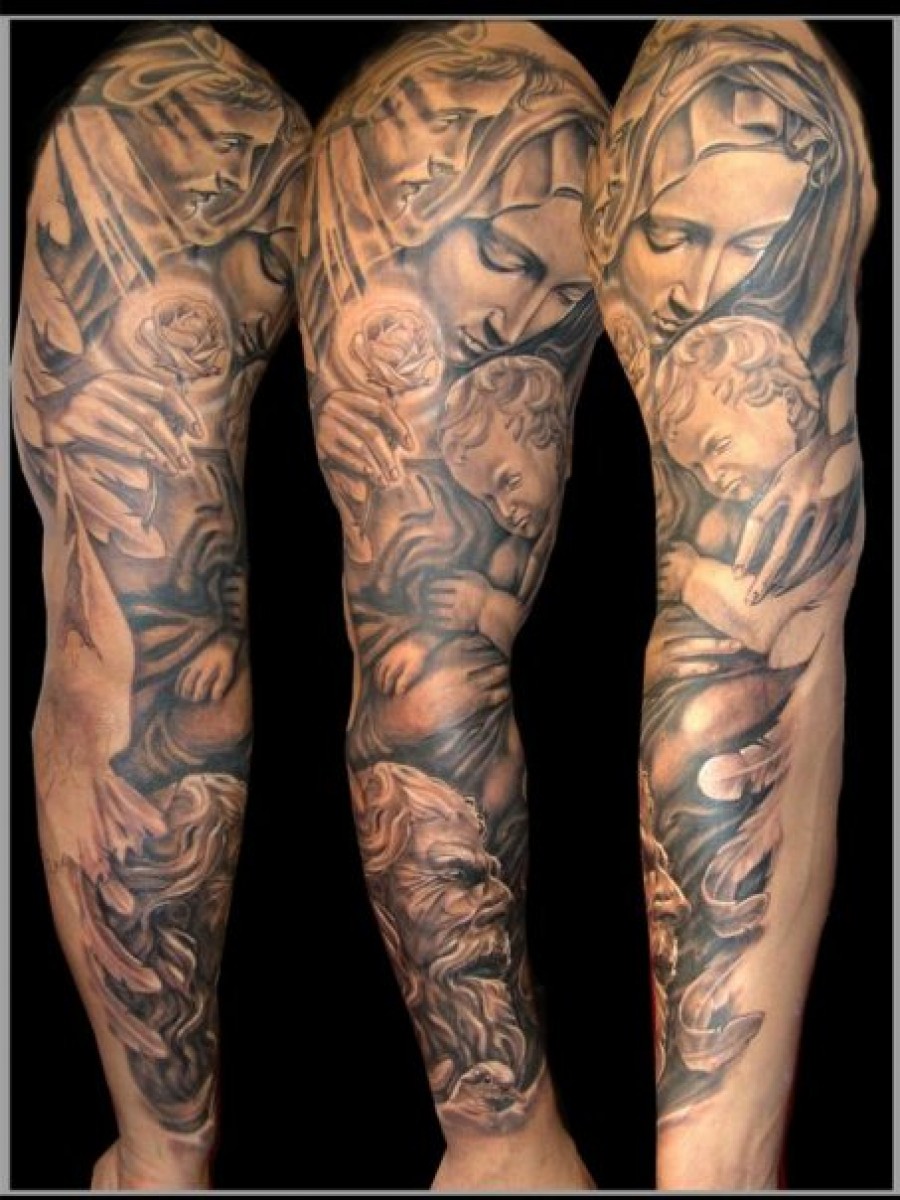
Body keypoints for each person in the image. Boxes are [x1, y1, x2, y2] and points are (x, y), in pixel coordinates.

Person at [582, 17, 876, 1190]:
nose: (708, 287)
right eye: (674, 238)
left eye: (748, 244)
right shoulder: (737, 74)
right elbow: (739, 628)